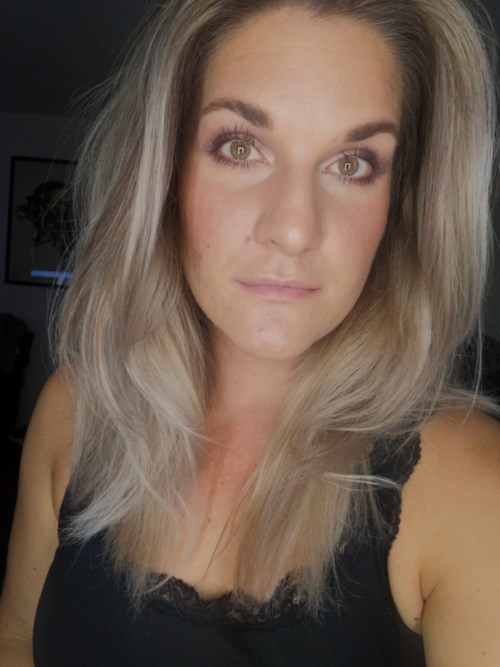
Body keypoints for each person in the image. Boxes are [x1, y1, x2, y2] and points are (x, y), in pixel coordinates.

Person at [1, 0, 499, 664]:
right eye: (240, 147)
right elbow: (15, 638)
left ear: (398, 204)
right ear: (165, 173)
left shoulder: (469, 485)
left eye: (353, 163)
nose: (294, 228)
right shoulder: (75, 409)